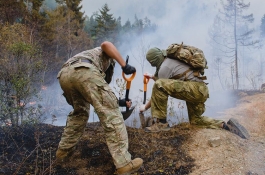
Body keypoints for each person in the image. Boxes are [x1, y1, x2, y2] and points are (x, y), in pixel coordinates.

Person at [56, 41, 143, 174]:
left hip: (65, 75)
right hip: (84, 72)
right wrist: (124, 65)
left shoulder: (89, 56)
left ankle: (63, 153)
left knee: (79, 113)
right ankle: (124, 163)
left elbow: (96, 94)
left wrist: (119, 102)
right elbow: (106, 44)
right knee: (111, 114)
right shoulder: (105, 54)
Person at [139, 47, 249, 139]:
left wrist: (145, 107)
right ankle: (226, 126)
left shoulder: (164, 67)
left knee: (159, 85)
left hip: (194, 89)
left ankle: (161, 124)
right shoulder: (169, 61)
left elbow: (160, 86)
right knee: (196, 121)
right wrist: (152, 76)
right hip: (199, 90)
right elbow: (165, 81)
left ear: (154, 61)